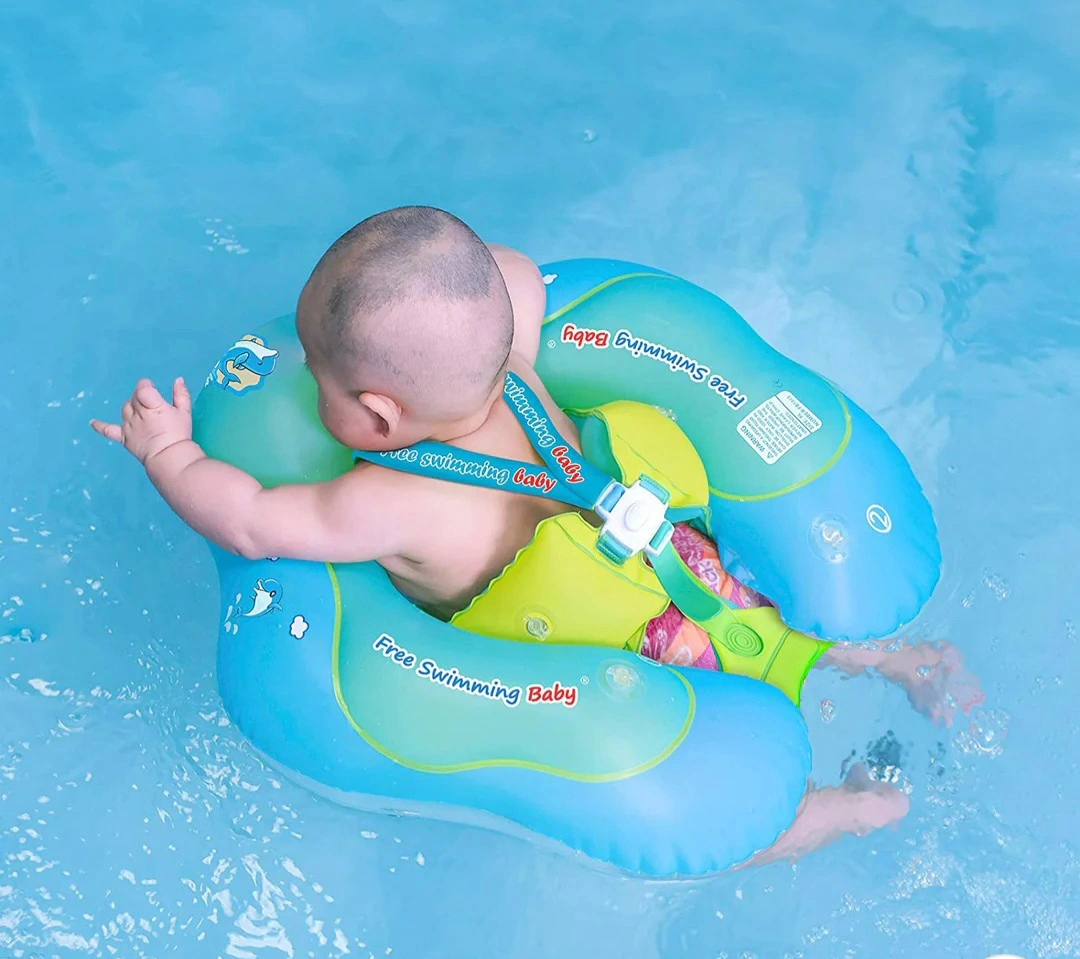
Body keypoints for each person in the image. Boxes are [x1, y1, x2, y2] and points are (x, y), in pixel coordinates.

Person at [91, 206, 981, 862]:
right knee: (781, 632)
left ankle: (851, 810)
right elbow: (510, 271)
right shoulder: (514, 361)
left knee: (733, 823)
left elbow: (251, 523)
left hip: (641, 664)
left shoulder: (388, 500)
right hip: (704, 582)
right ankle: (898, 661)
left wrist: (168, 452)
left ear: (375, 415)